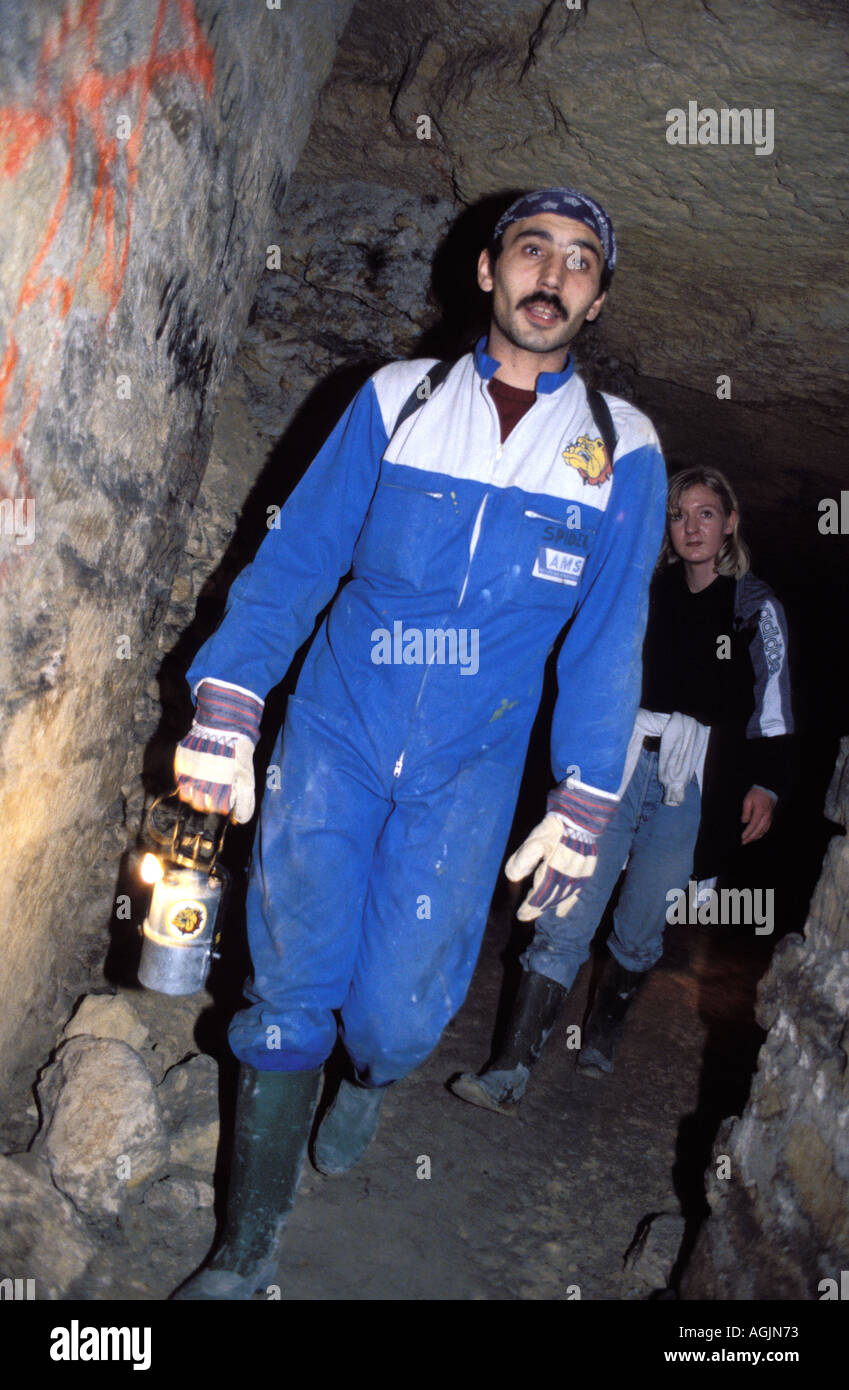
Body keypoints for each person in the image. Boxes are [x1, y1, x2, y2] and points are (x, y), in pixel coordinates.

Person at [169, 187, 668, 1299]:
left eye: (579, 260)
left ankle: (371, 1076)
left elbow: (606, 642)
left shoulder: (621, 450)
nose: (552, 273)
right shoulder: (395, 400)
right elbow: (299, 559)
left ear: (596, 298)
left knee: (395, 1017)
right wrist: (231, 700)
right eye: (531, 249)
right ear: (486, 271)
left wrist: (585, 798)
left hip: (468, 769)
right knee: (288, 989)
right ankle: (244, 1256)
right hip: (337, 733)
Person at [451, 467, 793, 1115]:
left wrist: (766, 783)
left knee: (641, 924)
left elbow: (770, 703)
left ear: (729, 523)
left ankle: (602, 1034)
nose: (689, 527)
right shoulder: (646, 586)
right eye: (677, 515)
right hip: (620, 757)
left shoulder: (753, 606)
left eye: (704, 514)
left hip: (693, 776)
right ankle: (509, 1068)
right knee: (567, 902)